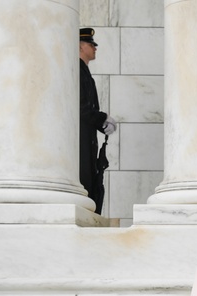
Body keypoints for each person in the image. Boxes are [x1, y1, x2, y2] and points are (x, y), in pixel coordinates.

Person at [78, 28, 116, 214]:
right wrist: (102, 119)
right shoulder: (77, 71)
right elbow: (81, 108)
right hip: (80, 145)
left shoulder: (84, 72)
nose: (95, 47)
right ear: (79, 46)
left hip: (87, 143)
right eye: (91, 44)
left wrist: (101, 123)